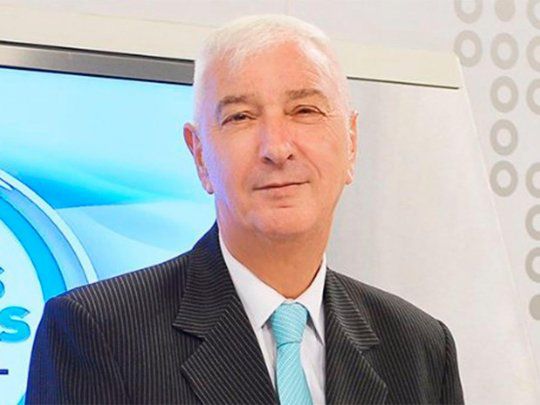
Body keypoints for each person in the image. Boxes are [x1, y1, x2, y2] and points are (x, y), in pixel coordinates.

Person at [26, 14, 464, 405]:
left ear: (351, 142)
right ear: (200, 155)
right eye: (240, 117)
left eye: (305, 110)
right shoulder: (96, 332)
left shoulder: (420, 348)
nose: (277, 147)